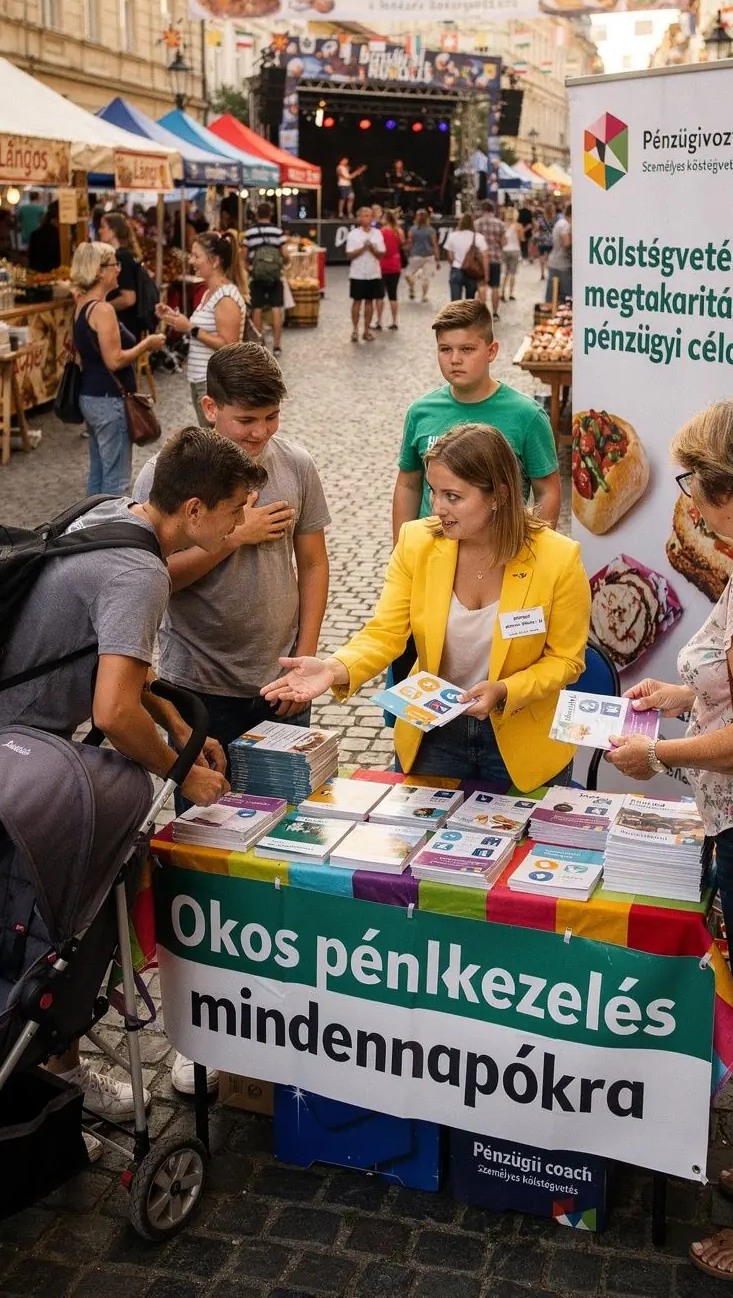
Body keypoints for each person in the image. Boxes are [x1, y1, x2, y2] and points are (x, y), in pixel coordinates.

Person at [0, 426, 266, 1126]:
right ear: (197, 509)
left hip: (15, 729)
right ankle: (62, 1069)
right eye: (236, 508)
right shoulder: (141, 574)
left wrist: (175, 721)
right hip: (15, 751)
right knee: (65, 916)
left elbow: (111, 659)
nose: (241, 523)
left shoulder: (111, 514)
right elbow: (113, 712)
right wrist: (182, 771)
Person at [606, 399, 733, 1285]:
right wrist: (685, 699)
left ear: (723, 489)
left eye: (692, 480)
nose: (686, 494)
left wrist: (660, 751)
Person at [132, 348, 330, 1096]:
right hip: (195, 687)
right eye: (248, 421)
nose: (262, 436)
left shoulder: (296, 465)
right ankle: (197, 1033)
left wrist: (305, 657)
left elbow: (314, 562)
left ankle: (288, 1012)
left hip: (277, 685)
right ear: (208, 408)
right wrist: (232, 538)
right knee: (203, 863)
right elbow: (149, 573)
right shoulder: (166, 477)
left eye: (273, 419)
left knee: (288, 851)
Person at [262, 423, 589, 790]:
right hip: (434, 736)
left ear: (498, 494)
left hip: (523, 739)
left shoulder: (558, 558)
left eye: (453, 496)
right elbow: (386, 632)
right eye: (433, 492)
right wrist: (334, 668)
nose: (437, 508)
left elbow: (566, 659)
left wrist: (504, 691)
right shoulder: (418, 542)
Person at [393, 298, 562, 535]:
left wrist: (536, 553)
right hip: (432, 554)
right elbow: (408, 485)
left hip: (499, 554)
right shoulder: (421, 412)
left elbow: (547, 491)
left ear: (491, 351)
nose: (454, 359)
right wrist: (400, 551)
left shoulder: (527, 416)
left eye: (467, 349)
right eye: (445, 349)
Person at [70, 241, 165, 496]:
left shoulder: (81, 305)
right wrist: (147, 343)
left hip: (90, 394)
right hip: (109, 398)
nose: (118, 270)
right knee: (116, 480)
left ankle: (91, 526)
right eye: (114, 264)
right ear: (100, 271)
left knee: (99, 472)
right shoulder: (103, 309)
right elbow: (114, 360)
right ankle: (110, 532)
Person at [155, 230, 248, 426]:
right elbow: (201, 329)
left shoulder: (226, 297)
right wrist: (174, 318)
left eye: (197, 256)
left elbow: (228, 345)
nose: (191, 261)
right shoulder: (209, 293)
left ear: (214, 261)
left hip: (213, 383)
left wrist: (191, 328)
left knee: (216, 446)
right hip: (202, 380)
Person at [242, 201, 287, 357]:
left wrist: (250, 269)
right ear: (270, 214)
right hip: (275, 275)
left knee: (257, 308)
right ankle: (277, 346)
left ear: (256, 215)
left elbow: (243, 257)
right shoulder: (278, 231)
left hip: (257, 275)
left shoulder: (249, 233)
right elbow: (285, 254)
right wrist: (281, 265)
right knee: (276, 308)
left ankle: (259, 344)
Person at [98, 212, 145, 340]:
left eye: (103, 227)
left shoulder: (121, 258)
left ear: (114, 231)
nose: (99, 231)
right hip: (128, 325)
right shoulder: (127, 255)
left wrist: (102, 307)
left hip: (124, 325)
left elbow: (128, 298)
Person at [346, 206, 385, 342]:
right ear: (359, 218)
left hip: (373, 273)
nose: (366, 218)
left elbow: (381, 254)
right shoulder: (353, 235)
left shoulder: (377, 234)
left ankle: (367, 330)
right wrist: (363, 248)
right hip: (357, 274)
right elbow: (349, 255)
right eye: (364, 216)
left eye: (369, 216)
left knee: (370, 302)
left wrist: (373, 248)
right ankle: (355, 330)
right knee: (356, 302)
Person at [474, 199, 506, 321]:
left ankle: (481, 314)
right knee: (495, 287)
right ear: (493, 210)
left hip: (480, 259)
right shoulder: (500, 224)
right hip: (495, 258)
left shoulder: (476, 223)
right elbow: (503, 242)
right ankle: (495, 313)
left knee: (481, 286)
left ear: (482, 209)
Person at [445, 213, 488, 302]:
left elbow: (450, 256)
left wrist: (455, 264)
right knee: (470, 300)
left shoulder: (453, 236)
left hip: (456, 269)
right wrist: (486, 274)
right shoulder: (478, 237)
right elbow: (485, 257)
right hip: (471, 271)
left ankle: (457, 315)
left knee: (455, 302)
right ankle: (467, 315)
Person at [405, 209, 441, 302]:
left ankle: (412, 288)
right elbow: (434, 244)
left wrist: (407, 252)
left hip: (415, 255)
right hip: (429, 256)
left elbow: (409, 242)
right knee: (426, 278)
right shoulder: (431, 230)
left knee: (408, 274)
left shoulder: (412, 229)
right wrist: (437, 259)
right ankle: (423, 297)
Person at [379, 209, 405, 331]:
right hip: (395, 265)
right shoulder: (398, 232)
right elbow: (402, 245)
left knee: (380, 295)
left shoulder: (382, 231)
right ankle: (395, 321)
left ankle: (378, 321)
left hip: (382, 265)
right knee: (393, 295)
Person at [546, 202, 572, 303]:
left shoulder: (560, 222)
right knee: (565, 296)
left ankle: (550, 314)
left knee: (551, 294)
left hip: (554, 261)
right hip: (563, 264)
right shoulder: (566, 224)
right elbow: (565, 241)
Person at [27, 200, 61, 273]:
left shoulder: (35, 234)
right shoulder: (59, 235)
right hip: (54, 275)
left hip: (37, 275)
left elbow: (31, 259)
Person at [501, 207, 524, 302]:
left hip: (505, 250)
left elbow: (501, 241)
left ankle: (502, 293)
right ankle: (510, 294)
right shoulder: (518, 226)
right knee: (513, 273)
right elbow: (522, 238)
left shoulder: (503, 226)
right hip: (515, 250)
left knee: (505, 273)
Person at [535, 201, 557, 282]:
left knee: (541, 257)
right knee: (549, 258)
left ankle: (542, 273)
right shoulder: (555, 218)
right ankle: (550, 273)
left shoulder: (541, 218)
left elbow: (537, 228)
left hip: (542, 240)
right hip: (551, 240)